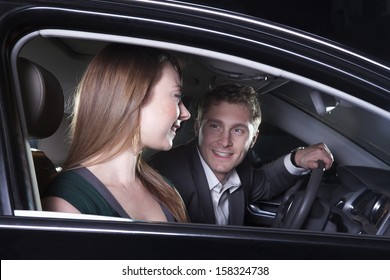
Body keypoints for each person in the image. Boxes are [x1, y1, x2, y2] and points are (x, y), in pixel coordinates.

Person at [42, 43, 191, 223]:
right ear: (134, 97)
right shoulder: (66, 202)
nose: (185, 113)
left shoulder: (165, 188)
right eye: (177, 97)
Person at [149, 84, 334, 225]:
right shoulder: (164, 177)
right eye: (215, 126)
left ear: (253, 139)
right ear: (198, 127)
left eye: (238, 131)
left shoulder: (242, 170)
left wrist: (298, 159)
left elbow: (266, 183)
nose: (225, 141)